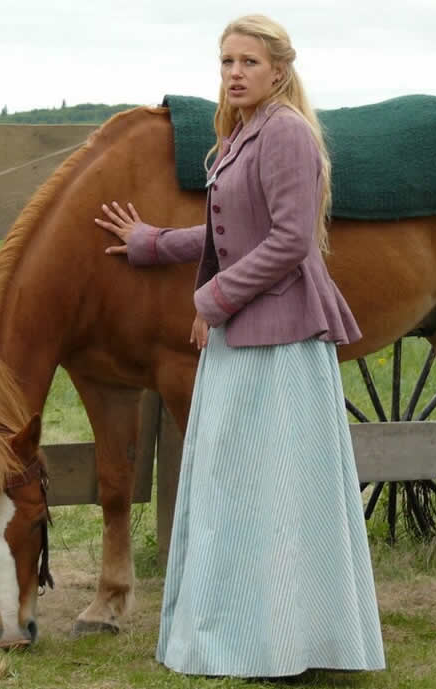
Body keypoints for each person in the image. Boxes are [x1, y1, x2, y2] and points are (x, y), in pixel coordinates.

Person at [95, 14, 384, 678]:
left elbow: (289, 243)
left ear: (279, 70)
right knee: (240, 490)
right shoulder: (243, 134)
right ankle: (249, 636)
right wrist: (155, 244)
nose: (233, 73)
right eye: (226, 62)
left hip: (279, 344)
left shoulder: (285, 133)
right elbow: (233, 232)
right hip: (245, 336)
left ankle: (287, 642)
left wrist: (211, 299)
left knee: (275, 495)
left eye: (248, 62)